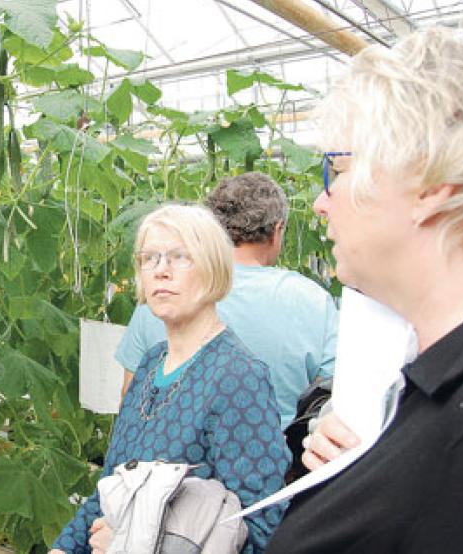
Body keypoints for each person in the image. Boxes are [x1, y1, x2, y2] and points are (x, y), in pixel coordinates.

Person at [265, 27, 463, 553]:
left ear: (428, 186)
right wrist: (363, 468)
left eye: (336, 168)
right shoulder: (424, 384)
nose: (320, 201)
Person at [51, 204, 290, 554]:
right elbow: (112, 487)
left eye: (180, 257)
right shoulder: (151, 363)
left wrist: (130, 541)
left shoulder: (238, 377)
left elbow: (260, 525)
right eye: (149, 258)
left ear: (212, 268)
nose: (161, 271)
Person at [117, 172, 338, 429]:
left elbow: (129, 398)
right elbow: (330, 399)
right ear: (277, 230)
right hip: (281, 457)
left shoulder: (163, 294)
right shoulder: (312, 300)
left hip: (169, 460)